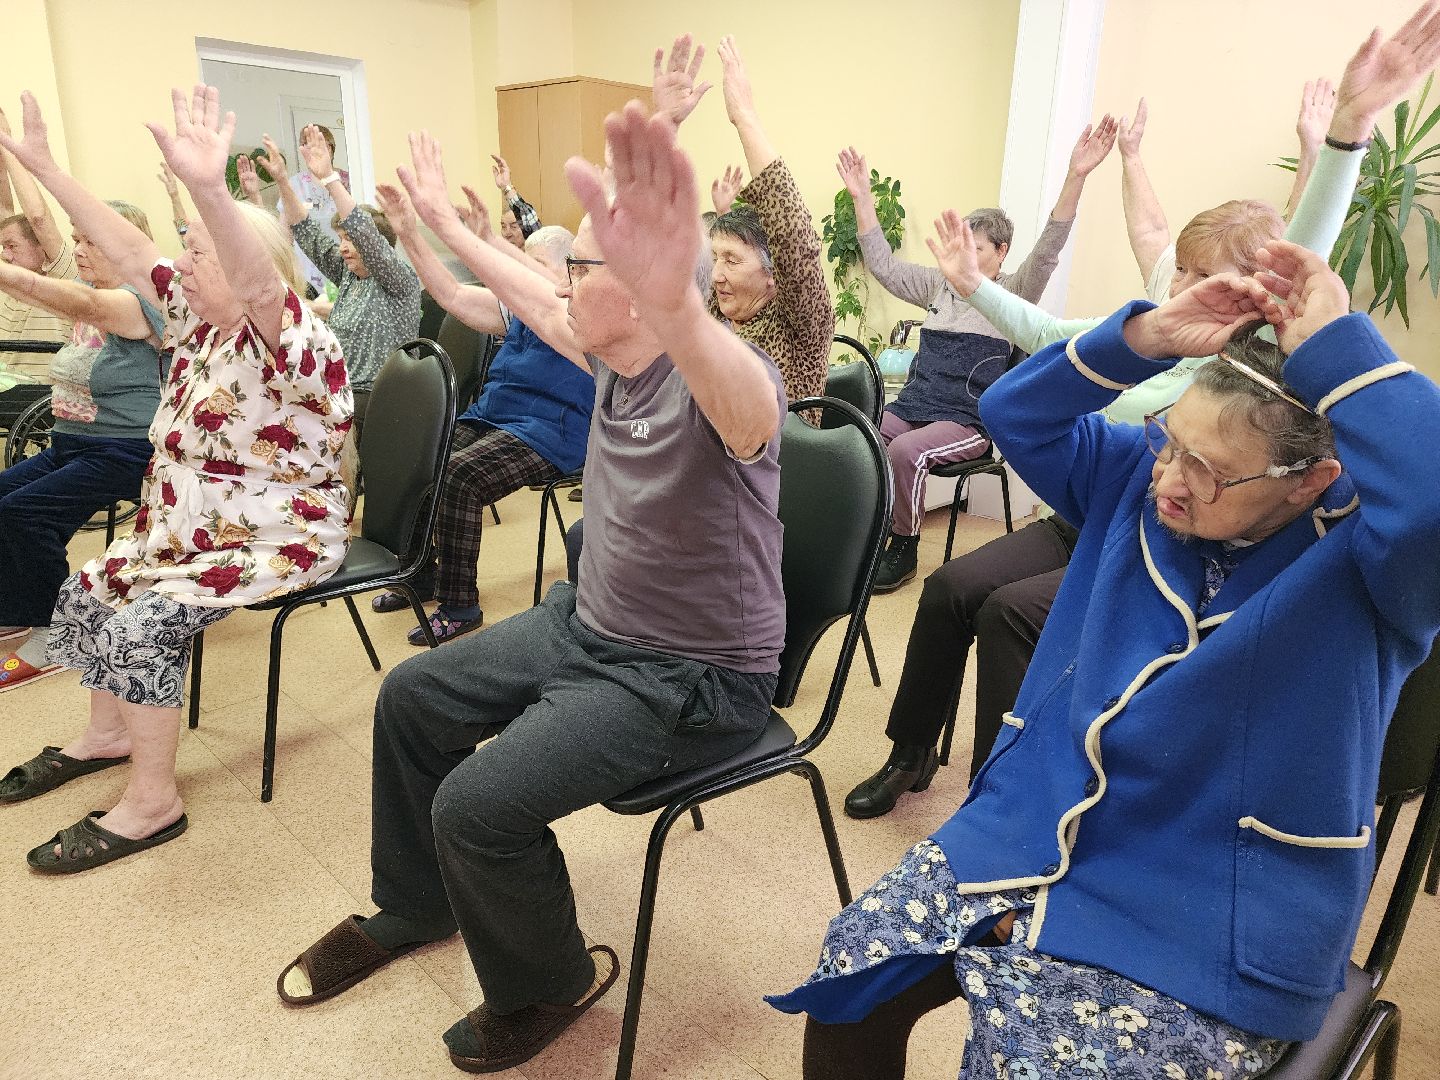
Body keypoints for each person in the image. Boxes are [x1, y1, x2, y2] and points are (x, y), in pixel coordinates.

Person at [775, 226, 1440, 1080]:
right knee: (853, 972)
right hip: (1037, 825)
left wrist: (1340, 351)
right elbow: (1014, 411)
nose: (1169, 478)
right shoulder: (1134, 478)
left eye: (1209, 470)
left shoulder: (1371, 564)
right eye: (1170, 440)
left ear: (1311, 480)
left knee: (1036, 1065)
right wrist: (1146, 337)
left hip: (1217, 903)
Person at [278, 103, 784, 1072]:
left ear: (642, 292)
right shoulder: (611, 353)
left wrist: (683, 308)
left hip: (693, 677)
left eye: (582, 267)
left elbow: (754, 410)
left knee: (477, 807)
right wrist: (443, 224)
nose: (562, 283)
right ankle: (417, 903)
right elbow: (528, 293)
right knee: (411, 698)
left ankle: (550, 979)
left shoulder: (720, 379)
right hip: (590, 623)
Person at [843, 61, 1366, 820]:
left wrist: (1334, 145)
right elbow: (1084, 301)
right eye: (1179, 271)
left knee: (1009, 613)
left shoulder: (1253, 358)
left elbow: (1307, 242)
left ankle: (1005, 797)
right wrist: (1129, 160)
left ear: (1261, 288)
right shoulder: (1166, 323)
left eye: (1198, 273)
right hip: (1094, 494)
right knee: (951, 588)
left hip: (1161, 525)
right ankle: (911, 753)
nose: (1178, 284)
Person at [0, 86, 352, 872]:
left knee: (140, 624)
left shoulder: (290, 337)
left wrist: (207, 190)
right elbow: (128, 249)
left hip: (274, 537)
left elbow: (260, 285)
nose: (181, 265)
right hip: (182, 529)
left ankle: (154, 800)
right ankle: (107, 735)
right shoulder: (198, 320)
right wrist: (45, 169)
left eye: (197, 253)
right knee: (88, 587)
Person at [836, 118, 1116, 592]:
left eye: (974, 246)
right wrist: (863, 197)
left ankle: (903, 547)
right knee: (860, 435)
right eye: (958, 242)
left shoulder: (1014, 293)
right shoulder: (938, 286)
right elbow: (883, 266)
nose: (960, 253)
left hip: (967, 421)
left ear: (1001, 252)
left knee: (904, 452)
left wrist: (1076, 176)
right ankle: (863, 537)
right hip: (917, 406)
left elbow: (1048, 250)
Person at [365, 184, 592, 644]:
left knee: (459, 476)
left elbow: (543, 288)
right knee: (424, 457)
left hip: (551, 430)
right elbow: (452, 294)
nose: (519, 272)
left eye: (534, 263)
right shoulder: (520, 308)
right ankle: (419, 574)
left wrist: (483, 240)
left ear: (570, 270)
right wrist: (408, 233)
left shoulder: (582, 313)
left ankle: (459, 605)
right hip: (495, 415)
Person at [0, 200, 169, 691]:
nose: (77, 249)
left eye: (89, 240)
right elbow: (56, 296)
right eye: (76, 239)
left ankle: (54, 633)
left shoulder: (137, 301)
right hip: (73, 443)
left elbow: (85, 304)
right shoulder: (90, 294)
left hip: (128, 449)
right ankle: (16, 608)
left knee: (24, 513)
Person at [654, 34, 834, 405]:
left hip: (776, 445)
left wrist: (744, 118)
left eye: (732, 261)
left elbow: (795, 239)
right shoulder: (713, 313)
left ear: (772, 274)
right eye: (715, 258)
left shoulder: (797, 323)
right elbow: (657, 237)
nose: (716, 275)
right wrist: (665, 126)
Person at [261, 126, 421, 472]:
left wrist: (330, 179)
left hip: (380, 397)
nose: (344, 247)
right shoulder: (351, 276)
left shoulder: (397, 279)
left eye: (350, 239)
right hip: (344, 392)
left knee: (301, 432)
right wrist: (284, 181)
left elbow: (366, 234)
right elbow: (306, 231)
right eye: (341, 238)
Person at [0, 104, 79, 431]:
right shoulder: (10, 279)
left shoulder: (65, 278)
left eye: (12, 246)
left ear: (40, 248)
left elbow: (39, 218)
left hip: (37, 395)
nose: (5, 255)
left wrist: (9, 142)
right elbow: (4, 210)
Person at [491, 153, 541, 246]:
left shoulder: (537, 250)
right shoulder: (500, 253)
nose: (507, 234)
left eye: (514, 227)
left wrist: (506, 186)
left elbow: (532, 224)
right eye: (503, 227)